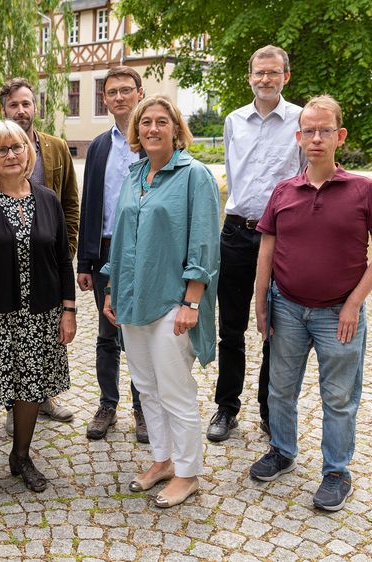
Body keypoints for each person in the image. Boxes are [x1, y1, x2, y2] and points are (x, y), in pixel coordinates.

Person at [250, 95, 372, 512]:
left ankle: (336, 472)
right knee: (280, 390)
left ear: (339, 136)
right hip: (288, 308)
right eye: (308, 131)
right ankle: (282, 449)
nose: (316, 138)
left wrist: (353, 304)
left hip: (338, 314)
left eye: (324, 130)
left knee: (339, 397)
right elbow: (266, 251)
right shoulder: (284, 191)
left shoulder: (363, 190)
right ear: (297, 138)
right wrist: (261, 302)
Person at [102, 95, 220, 508]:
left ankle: (188, 474)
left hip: (173, 299)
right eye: (145, 122)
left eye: (161, 122)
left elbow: (204, 241)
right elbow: (121, 238)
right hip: (133, 298)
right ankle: (162, 460)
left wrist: (192, 301)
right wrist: (112, 287)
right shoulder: (135, 175)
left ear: (176, 129)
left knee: (175, 390)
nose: (152, 129)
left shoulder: (194, 176)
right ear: (136, 131)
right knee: (146, 387)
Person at [0, 119, 76, 506]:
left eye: (17, 147)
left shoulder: (48, 199)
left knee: (31, 388)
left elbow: (61, 259)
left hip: (41, 315)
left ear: (29, 152)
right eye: (2, 149)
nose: (11, 155)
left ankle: (20, 457)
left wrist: (68, 309)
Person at [207, 45, 303, 443]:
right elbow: (234, 173)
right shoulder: (234, 121)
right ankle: (226, 408)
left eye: (273, 72)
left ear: (286, 76)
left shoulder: (301, 119)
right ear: (249, 76)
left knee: (275, 328)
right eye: (259, 72)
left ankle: (269, 410)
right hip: (236, 232)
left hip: (281, 236)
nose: (265, 79)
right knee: (230, 327)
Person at [0, 77, 79, 430]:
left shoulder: (57, 148)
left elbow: (69, 206)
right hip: (1, 277)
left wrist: (63, 252)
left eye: (27, 103)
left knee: (36, 359)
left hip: (44, 266)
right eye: (14, 104)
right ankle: (8, 414)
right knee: (0, 359)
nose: (21, 110)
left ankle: (39, 402)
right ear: (4, 109)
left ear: (35, 107)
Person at [76, 66, 148, 443]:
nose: (119, 97)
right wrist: (84, 261)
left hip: (144, 252)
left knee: (138, 332)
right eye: (112, 92)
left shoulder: (152, 139)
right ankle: (108, 404)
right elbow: (91, 204)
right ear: (105, 99)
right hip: (104, 251)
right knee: (108, 333)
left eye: (126, 90)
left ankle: (143, 408)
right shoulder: (100, 145)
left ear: (139, 92)